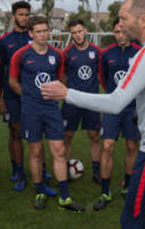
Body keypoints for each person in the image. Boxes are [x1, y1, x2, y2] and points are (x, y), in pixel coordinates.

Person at [42, 0, 145, 229]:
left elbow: (116, 102)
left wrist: (66, 94)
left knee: (132, 222)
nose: (121, 24)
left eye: (124, 18)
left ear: (143, 19)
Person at [9, 17, 85, 212]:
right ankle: (39, 191)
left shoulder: (56, 55)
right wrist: (27, 96)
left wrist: (57, 93)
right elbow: (12, 81)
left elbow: (61, 78)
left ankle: (65, 197)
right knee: (35, 152)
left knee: (59, 150)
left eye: (46, 30)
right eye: (39, 31)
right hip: (31, 109)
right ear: (31, 33)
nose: (44, 34)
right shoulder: (21, 55)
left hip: (51, 109)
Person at [93, 18, 141, 211]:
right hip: (113, 106)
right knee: (107, 146)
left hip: (133, 107)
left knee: (131, 146)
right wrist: (114, 97)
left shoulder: (139, 52)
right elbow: (103, 78)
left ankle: (127, 186)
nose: (121, 35)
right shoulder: (107, 54)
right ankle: (105, 191)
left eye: (124, 31)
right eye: (117, 32)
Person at [0, 1, 44, 191]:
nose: (24, 18)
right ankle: (18, 170)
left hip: (34, 94)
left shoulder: (36, 38)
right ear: (13, 16)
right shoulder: (5, 41)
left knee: (36, 133)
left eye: (27, 14)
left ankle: (41, 167)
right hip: (12, 94)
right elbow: (0, 70)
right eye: (21, 14)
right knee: (15, 131)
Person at [59, 19, 102, 184]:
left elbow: (100, 73)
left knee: (94, 136)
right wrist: (69, 89)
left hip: (92, 100)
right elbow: (61, 75)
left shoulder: (96, 51)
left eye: (80, 31)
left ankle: (97, 171)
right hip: (72, 101)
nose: (77, 35)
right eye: (74, 33)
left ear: (85, 30)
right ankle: (65, 169)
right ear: (71, 34)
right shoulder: (67, 53)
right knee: (67, 136)